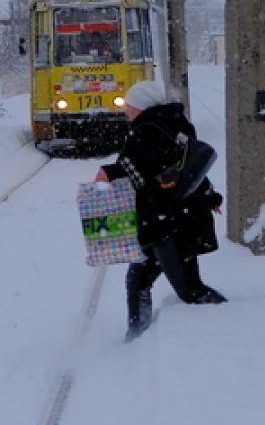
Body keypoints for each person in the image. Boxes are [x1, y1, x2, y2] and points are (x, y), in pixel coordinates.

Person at [95, 79, 226, 341]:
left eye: (129, 106)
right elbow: (186, 168)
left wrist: (109, 172)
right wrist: (209, 196)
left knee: (189, 289)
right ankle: (136, 336)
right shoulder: (175, 124)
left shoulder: (148, 129)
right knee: (139, 280)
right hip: (173, 219)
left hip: (167, 224)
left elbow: (141, 169)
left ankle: (230, 318)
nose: (125, 111)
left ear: (141, 106)